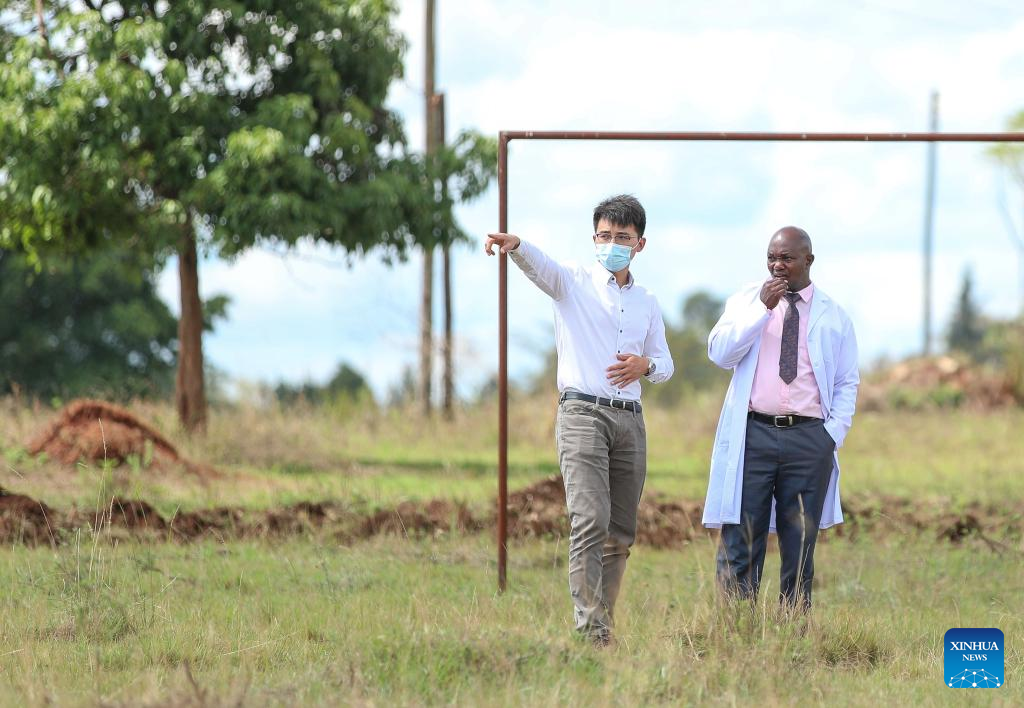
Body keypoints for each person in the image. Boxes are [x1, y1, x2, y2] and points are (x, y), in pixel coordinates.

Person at [485, 194, 674, 645]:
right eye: (605, 236)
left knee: (621, 532)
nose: (612, 244)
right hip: (584, 413)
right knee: (590, 518)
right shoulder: (573, 281)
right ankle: (590, 629)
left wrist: (643, 365)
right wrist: (516, 246)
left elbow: (665, 363)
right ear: (595, 238)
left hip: (630, 419)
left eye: (622, 238)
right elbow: (541, 267)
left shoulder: (647, 302)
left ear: (640, 244)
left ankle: (603, 625)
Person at [704, 226, 858, 609]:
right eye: (772, 257)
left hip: (808, 439)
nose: (777, 265)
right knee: (742, 534)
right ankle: (737, 623)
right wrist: (761, 309)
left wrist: (830, 435)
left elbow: (846, 381)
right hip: (754, 433)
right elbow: (720, 354)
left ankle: (793, 627)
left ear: (808, 259)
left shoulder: (835, 316)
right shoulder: (746, 301)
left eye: (786, 258)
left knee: (799, 540)